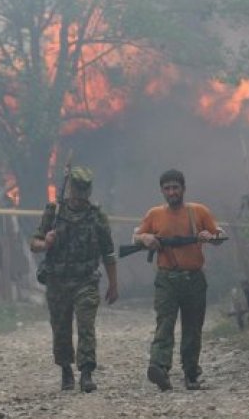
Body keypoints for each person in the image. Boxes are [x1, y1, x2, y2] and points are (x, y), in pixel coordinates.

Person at [133, 169, 225, 391]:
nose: (172, 192)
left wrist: (210, 237)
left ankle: (191, 372)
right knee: (164, 323)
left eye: (175, 187)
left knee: (193, 327)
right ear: (162, 191)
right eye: (167, 188)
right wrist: (145, 238)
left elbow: (220, 235)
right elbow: (136, 237)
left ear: (183, 189)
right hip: (167, 279)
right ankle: (159, 367)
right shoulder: (155, 214)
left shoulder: (198, 211)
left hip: (194, 278)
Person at [30, 166, 119, 393]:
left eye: (84, 191)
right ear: (70, 189)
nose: (80, 196)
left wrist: (113, 283)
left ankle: (87, 373)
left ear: (89, 191)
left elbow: (108, 252)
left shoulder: (97, 216)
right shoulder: (54, 212)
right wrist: (46, 242)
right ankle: (66, 370)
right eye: (76, 190)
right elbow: (35, 244)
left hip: (86, 280)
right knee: (60, 328)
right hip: (58, 281)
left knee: (86, 325)